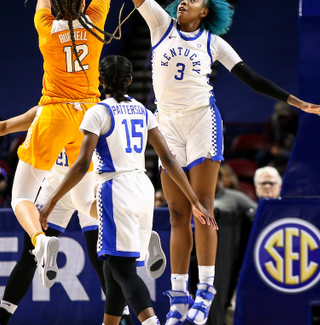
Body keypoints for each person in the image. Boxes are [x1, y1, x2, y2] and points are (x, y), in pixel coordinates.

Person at [96, 0, 320, 325]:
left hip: (202, 120)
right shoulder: (157, 24)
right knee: (177, 213)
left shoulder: (214, 44)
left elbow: (253, 79)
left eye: (190, 0)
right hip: (165, 122)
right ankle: (179, 296)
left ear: (205, 11)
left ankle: (206, 291)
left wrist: (299, 103)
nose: (182, 3)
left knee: (203, 204)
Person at [39, 55, 217, 325]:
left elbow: (81, 165)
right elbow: (169, 160)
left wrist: (51, 200)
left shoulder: (98, 112)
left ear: (100, 82)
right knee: (112, 270)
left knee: (121, 269)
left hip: (115, 187)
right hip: (143, 187)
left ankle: (151, 322)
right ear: (130, 81)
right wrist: (193, 199)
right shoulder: (143, 112)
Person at [11, 0, 113, 291]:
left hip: (53, 112)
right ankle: (133, 234)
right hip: (90, 116)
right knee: (87, 200)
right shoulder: (97, 23)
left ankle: (41, 241)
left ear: (56, 5)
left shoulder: (46, 27)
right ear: (85, 3)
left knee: (21, 193)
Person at [0, 106, 133, 325]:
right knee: (103, 258)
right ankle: (124, 317)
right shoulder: (98, 110)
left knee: (31, 253)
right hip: (88, 184)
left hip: (58, 188)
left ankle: (3, 316)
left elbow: (5, 127)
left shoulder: (45, 110)